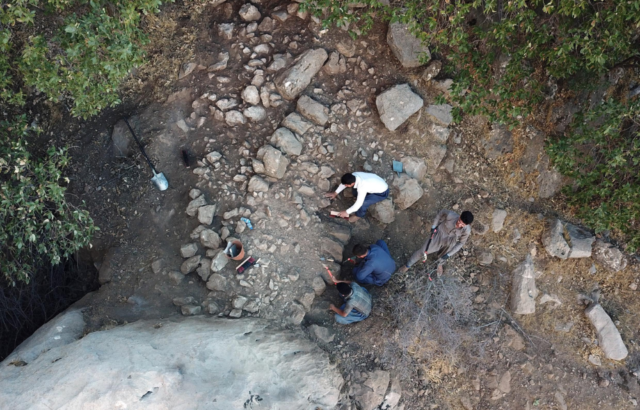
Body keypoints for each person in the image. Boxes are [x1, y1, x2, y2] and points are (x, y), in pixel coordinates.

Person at [398, 210, 474, 276]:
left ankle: (440, 264)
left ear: (467, 225)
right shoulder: (450, 215)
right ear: (460, 216)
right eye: (459, 221)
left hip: (450, 241)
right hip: (439, 235)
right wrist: (434, 226)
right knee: (423, 251)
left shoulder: (466, 230)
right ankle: (407, 266)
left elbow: (461, 243)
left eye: (462, 224)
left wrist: (449, 254)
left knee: (444, 255)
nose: (459, 225)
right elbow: (440, 213)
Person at [324, 172, 389, 222]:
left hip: (382, 192)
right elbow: (344, 184)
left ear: (352, 183)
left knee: (363, 203)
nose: (345, 185)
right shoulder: (354, 175)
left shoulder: (362, 186)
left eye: (347, 185)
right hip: (375, 183)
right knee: (355, 192)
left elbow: (358, 204)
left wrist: (346, 212)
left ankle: (358, 215)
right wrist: (335, 193)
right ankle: (360, 196)